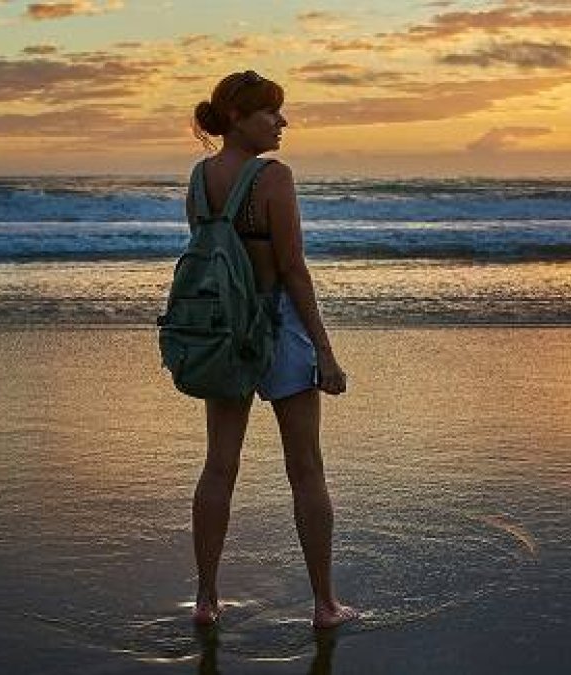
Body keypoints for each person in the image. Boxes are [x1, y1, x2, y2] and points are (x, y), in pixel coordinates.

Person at [185, 70, 359, 630]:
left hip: (222, 331)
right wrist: (325, 352)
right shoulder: (274, 179)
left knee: (219, 467)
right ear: (237, 118)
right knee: (306, 470)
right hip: (278, 326)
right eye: (270, 113)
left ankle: (207, 600)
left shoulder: (199, 178)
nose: (282, 123)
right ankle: (325, 605)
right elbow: (292, 271)